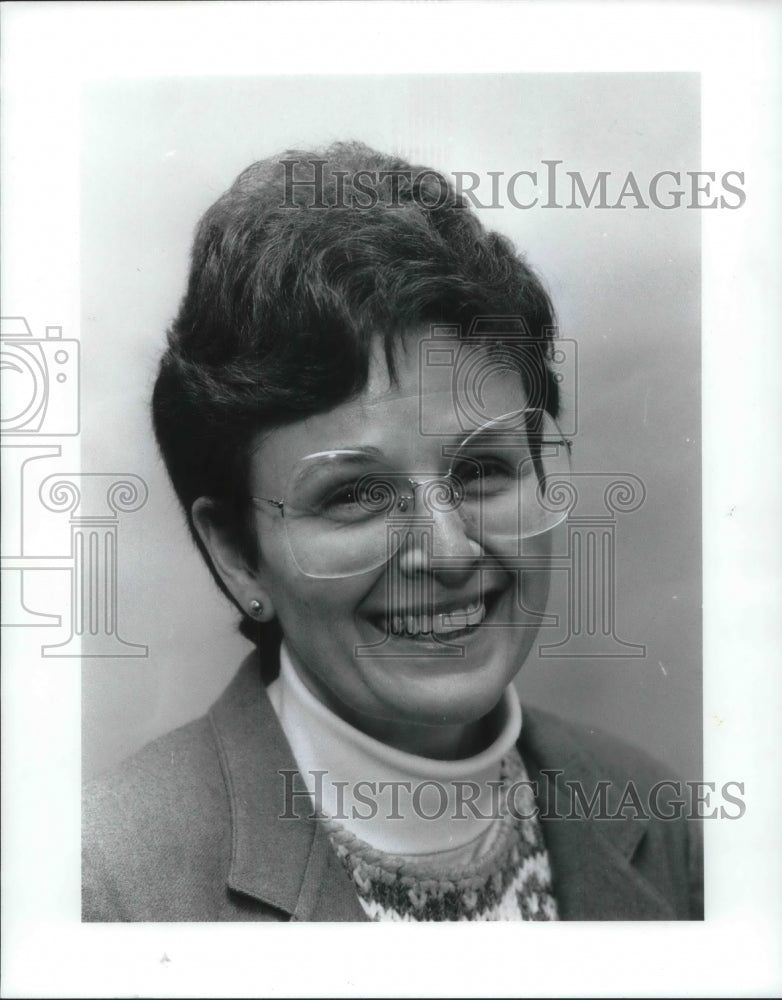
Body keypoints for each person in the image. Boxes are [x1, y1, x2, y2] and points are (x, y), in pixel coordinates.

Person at [83, 141, 702, 922]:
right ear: (237, 554)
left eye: (482, 472)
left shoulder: (655, 815)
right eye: (357, 495)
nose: (446, 552)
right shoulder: (105, 888)